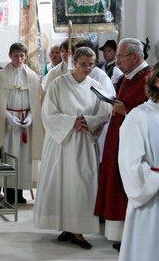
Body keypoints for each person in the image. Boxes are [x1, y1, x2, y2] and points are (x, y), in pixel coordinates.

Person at [33, 47, 111, 249]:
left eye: (91, 64)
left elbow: (105, 114)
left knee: (81, 186)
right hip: (61, 142)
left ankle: (79, 230)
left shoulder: (95, 87)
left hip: (83, 142)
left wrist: (87, 121)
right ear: (74, 63)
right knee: (61, 183)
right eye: (84, 63)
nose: (88, 68)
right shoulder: (58, 84)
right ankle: (66, 225)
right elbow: (48, 113)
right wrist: (70, 122)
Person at [94, 38, 151, 251]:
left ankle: (133, 232)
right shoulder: (130, 77)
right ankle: (123, 231)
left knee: (130, 184)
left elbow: (151, 112)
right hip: (120, 137)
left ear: (135, 57)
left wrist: (124, 111)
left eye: (120, 56)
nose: (117, 60)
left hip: (137, 144)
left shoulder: (148, 79)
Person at [0, 42, 43, 204]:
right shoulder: (1, 76)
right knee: (10, 157)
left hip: (25, 124)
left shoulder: (32, 76)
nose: (19, 58)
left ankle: (20, 193)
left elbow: (37, 102)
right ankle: (9, 194)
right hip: (8, 125)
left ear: (25, 56)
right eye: (16, 55)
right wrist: (9, 117)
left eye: (22, 55)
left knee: (24, 159)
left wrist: (30, 116)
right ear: (10, 56)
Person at [118, 61, 159, 261]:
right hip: (152, 203)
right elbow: (129, 165)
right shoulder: (139, 117)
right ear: (157, 82)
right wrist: (155, 179)